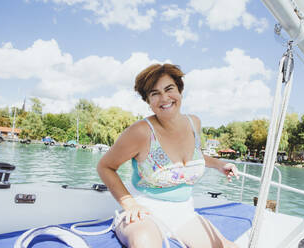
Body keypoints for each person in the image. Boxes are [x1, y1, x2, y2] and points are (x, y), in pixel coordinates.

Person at [97, 64, 239, 248]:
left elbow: (195, 157)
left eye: (169, 89)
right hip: (144, 211)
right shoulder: (141, 132)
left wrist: (219, 165)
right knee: (145, 243)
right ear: (148, 100)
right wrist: (130, 204)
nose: (164, 98)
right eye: (155, 93)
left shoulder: (194, 123)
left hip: (184, 212)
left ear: (180, 90)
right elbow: (105, 166)